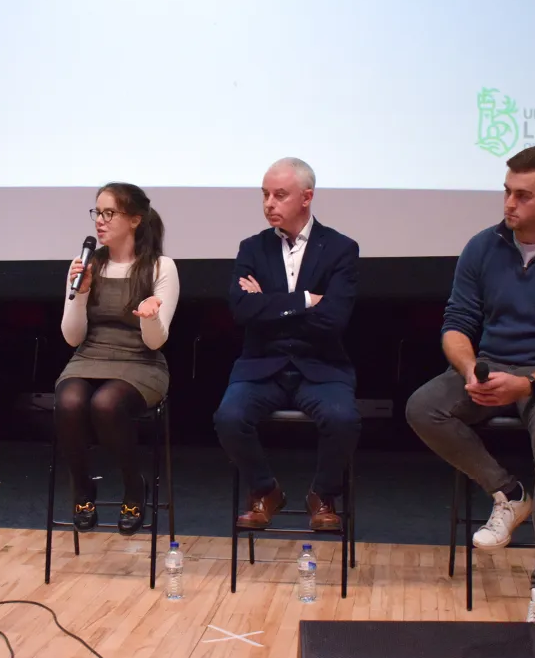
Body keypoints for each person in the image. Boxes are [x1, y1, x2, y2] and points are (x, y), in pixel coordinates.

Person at [405, 146, 535, 650]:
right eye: (506, 191)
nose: (509, 204)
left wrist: (532, 383)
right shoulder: (483, 247)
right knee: (422, 407)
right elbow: (455, 326)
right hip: (494, 368)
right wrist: (471, 371)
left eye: (523, 195)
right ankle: (509, 493)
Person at [214, 158, 361, 532]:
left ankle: (322, 495)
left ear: (307, 197)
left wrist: (270, 302)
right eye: (265, 194)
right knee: (228, 418)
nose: (269, 203)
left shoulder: (341, 249)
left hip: (320, 364)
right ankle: (266, 491)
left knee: (343, 419)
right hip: (263, 364)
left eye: (280, 195)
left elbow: (334, 319)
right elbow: (242, 309)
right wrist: (304, 301)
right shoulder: (252, 248)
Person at [55, 182, 179, 535]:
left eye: (110, 213)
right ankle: (82, 488)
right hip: (90, 353)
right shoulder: (86, 264)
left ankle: (133, 487)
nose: (100, 221)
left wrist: (150, 315)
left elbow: (156, 341)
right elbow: (72, 337)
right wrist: (80, 295)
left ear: (135, 220)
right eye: (98, 212)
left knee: (107, 404)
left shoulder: (159, 267)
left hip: (140, 361)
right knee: (68, 401)